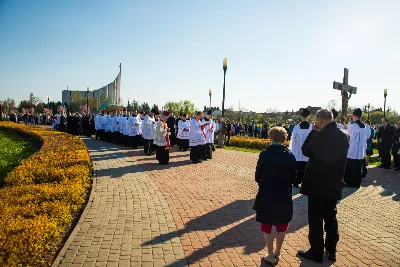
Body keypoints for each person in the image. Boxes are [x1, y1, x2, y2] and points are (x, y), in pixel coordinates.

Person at [297, 109, 349, 263]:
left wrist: (313, 132)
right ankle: (331, 250)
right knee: (331, 217)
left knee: (316, 219)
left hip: (317, 184)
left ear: (319, 121)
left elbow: (305, 151)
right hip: (334, 183)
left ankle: (316, 252)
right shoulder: (344, 136)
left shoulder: (318, 135)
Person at [254, 127, 296, 265]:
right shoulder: (290, 155)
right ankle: (278, 252)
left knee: (266, 224)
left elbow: (257, 176)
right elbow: (294, 178)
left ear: (271, 138)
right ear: (285, 139)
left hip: (267, 193)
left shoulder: (264, 154)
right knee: (282, 224)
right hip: (284, 194)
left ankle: (270, 254)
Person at [343, 108, 367, 188]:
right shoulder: (364, 126)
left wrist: (349, 122)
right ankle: (357, 183)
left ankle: (350, 182)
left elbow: (346, 133)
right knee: (358, 167)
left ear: (354, 116)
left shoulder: (353, 126)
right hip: (360, 149)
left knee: (351, 167)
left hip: (353, 149)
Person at [289, 108, 312, 188]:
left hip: (298, 151)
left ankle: (296, 181)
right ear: (308, 117)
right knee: (306, 168)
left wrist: (292, 150)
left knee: (298, 167)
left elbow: (293, 140)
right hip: (307, 151)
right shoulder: (311, 127)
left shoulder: (296, 127)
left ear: (301, 117)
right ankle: (306, 182)